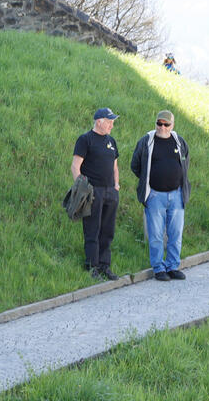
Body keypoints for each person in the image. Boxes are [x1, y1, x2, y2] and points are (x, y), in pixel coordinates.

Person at [130, 110, 190, 281]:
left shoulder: (179, 141)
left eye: (166, 124)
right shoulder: (147, 141)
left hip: (177, 194)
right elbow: (135, 165)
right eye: (159, 123)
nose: (162, 127)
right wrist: (147, 182)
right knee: (156, 234)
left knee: (175, 233)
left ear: (173, 125)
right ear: (156, 123)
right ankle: (158, 268)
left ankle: (172, 266)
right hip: (155, 195)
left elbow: (185, 162)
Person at [72, 107, 121, 280]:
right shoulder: (85, 140)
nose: (111, 126)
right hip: (93, 191)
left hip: (110, 191)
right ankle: (92, 267)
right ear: (99, 121)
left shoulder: (111, 141)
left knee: (108, 230)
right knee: (93, 229)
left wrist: (116, 185)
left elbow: (115, 166)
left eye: (112, 122)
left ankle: (104, 266)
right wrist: (81, 188)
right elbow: (75, 166)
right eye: (109, 122)